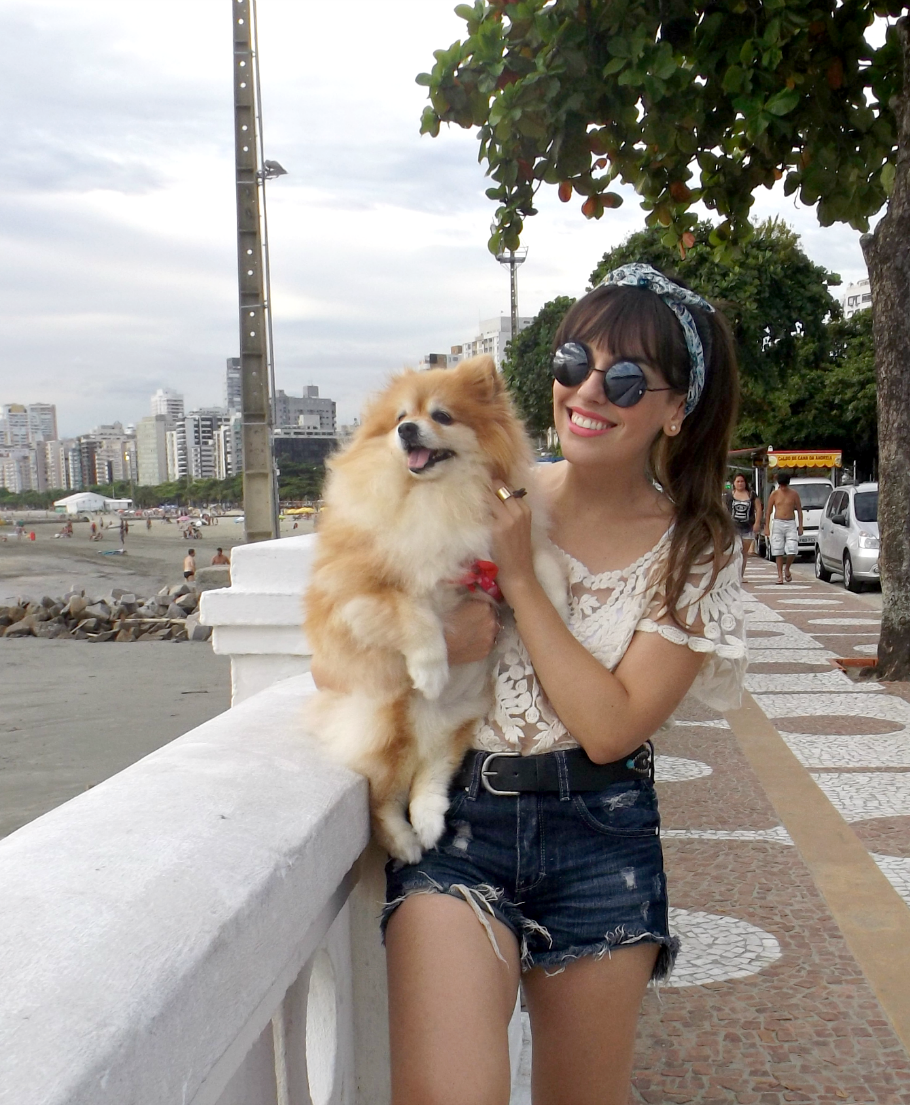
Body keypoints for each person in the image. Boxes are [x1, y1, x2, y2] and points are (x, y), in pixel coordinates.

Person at [315, 263, 746, 1104]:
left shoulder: (697, 551)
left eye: (625, 377)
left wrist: (517, 579)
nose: (588, 389)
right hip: (461, 823)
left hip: (599, 833)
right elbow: (333, 651)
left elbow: (611, 726)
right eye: (572, 361)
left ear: (674, 408)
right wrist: (433, 634)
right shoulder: (476, 486)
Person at [763, 470, 804, 583]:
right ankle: (780, 575)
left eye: (784, 485)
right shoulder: (774, 494)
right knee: (778, 550)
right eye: (781, 485)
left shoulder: (794, 494)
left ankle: (787, 568)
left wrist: (800, 525)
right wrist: (766, 527)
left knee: (792, 549)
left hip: (790, 522)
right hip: (778, 522)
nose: (783, 487)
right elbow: (769, 511)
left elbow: (799, 510)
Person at [725, 472, 761, 581]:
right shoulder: (729, 495)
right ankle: (733, 575)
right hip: (733, 527)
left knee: (743, 553)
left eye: (742, 481)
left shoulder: (751, 495)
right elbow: (725, 510)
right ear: (734, 483)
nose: (740, 484)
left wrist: (757, 523)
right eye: (738, 481)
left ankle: (741, 575)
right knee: (734, 551)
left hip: (747, 527)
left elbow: (758, 508)